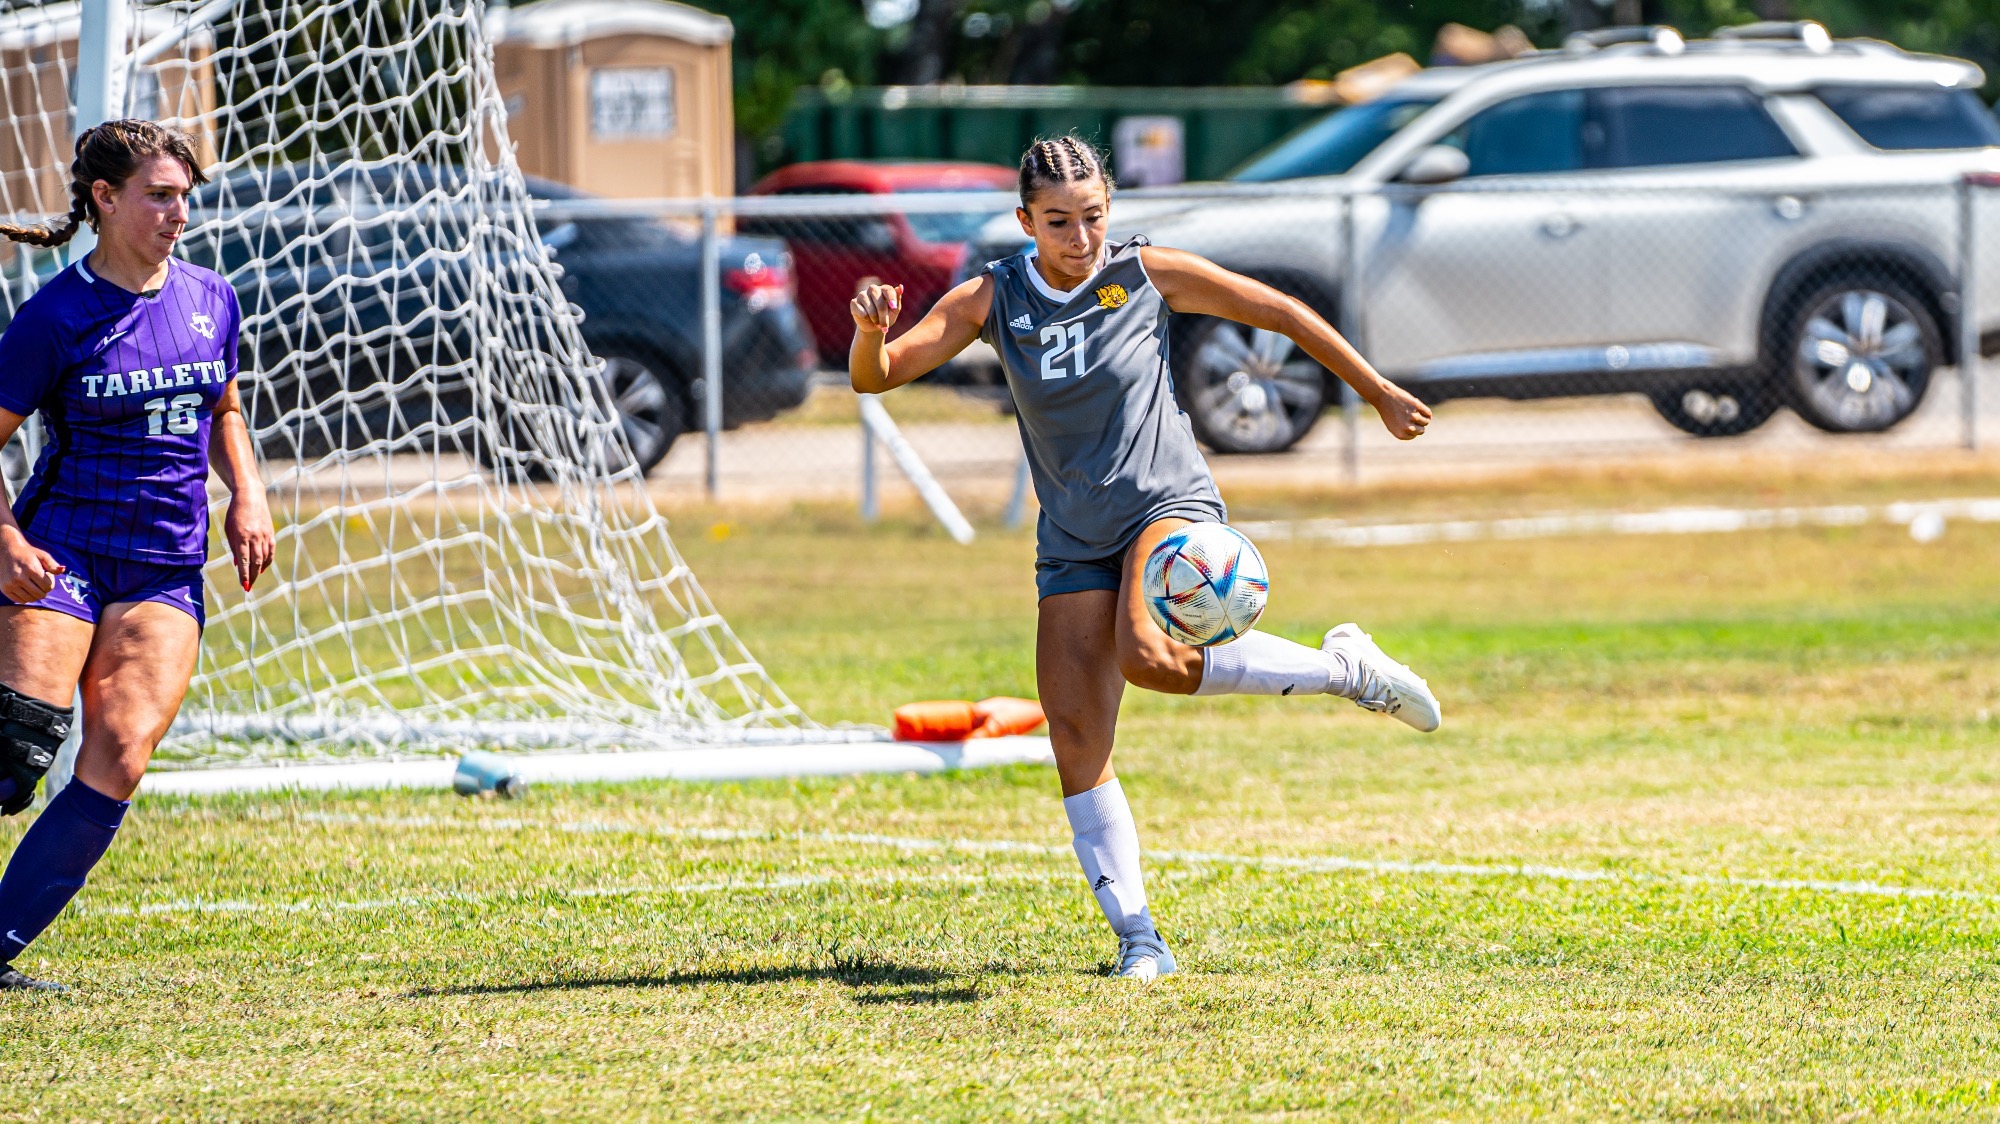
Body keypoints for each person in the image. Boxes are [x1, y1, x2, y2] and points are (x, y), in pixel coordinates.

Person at [849, 136, 1441, 982]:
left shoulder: (1147, 272)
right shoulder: (993, 296)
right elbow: (880, 376)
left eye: (1092, 216)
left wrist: (1375, 390)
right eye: (1059, 222)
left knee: (1151, 654)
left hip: (1167, 508)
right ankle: (1140, 937)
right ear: (1026, 221)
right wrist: (872, 334)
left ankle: (1346, 674)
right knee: (1078, 737)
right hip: (1073, 539)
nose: (1080, 237)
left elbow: (1277, 310)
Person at [0, 120, 272, 991]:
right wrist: (5, 539)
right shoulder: (52, 318)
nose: (177, 212)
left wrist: (249, 494)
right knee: (14, 757)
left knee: (118, 752)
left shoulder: (210, 297)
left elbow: (222, 407)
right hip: (61, 552)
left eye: (184, 195)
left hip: (163, 567)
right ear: (105, 200)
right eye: (159, 194)